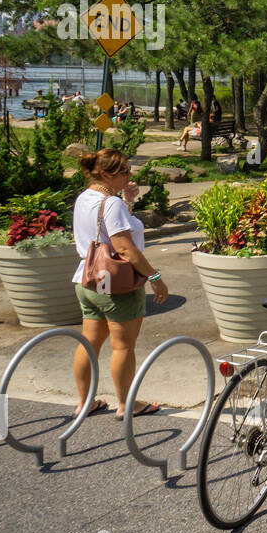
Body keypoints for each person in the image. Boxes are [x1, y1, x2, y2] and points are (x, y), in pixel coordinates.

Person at [69, 148, 169, 420]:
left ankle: (85, 402)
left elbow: (106, 227)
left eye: (128, 169)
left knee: (89, 342)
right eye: (123, 171)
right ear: (105, 174)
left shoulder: (85, 198)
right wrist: (155, 277)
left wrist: (127, 199)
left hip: (89, 280)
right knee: (123, 346)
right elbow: (124, 248)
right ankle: (127, 404)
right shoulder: (109, 203)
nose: (129, 174)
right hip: (116, 283)